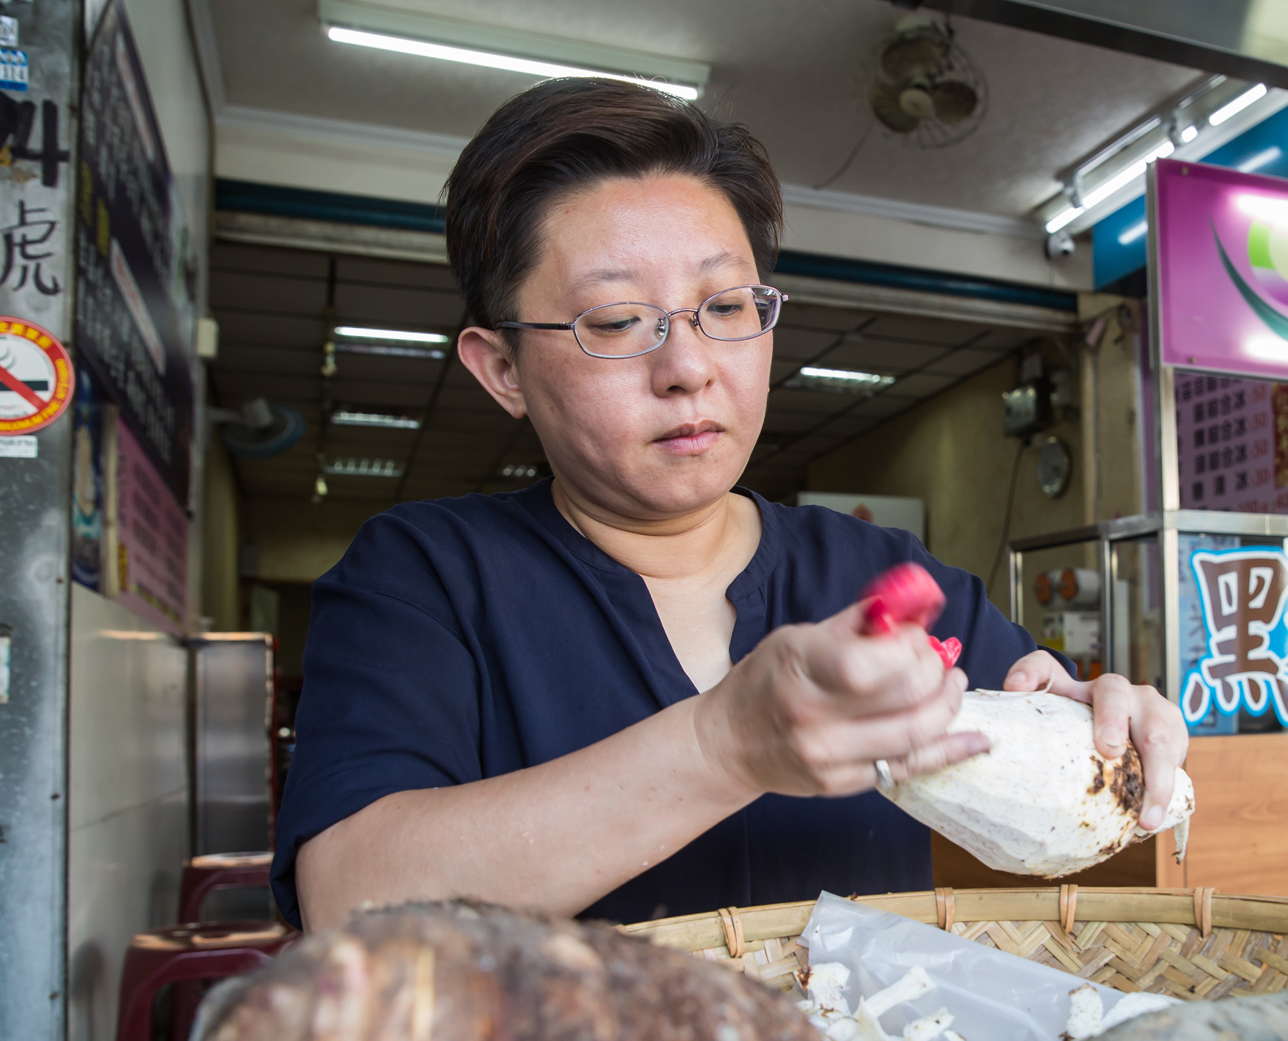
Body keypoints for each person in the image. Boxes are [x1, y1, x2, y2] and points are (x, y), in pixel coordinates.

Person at [276, 78, 1189, 931]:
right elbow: (350, 895)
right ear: (503, 367)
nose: (688, 367)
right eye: (617, 322)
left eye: (727, 306)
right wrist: (723, 745)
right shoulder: (424, 580)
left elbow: (1055, 770)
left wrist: (1100, 730)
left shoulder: (886, 579)